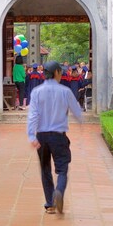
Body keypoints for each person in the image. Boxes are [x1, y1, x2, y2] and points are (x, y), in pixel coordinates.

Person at [27, 61, 84, 215]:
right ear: (57, 73)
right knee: (62, 169)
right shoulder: (65, 91)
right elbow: (77, 112)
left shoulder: (37, 91)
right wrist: (80, 122)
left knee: (45, 168)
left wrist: (32, 136)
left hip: (42, 136)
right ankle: (59, 190)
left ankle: (50, 204)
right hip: (59, 136)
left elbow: (33, 115)